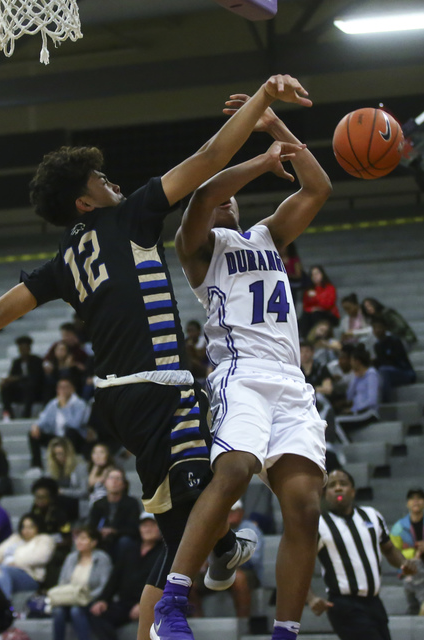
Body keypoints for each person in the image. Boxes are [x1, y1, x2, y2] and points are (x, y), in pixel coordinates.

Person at [0, 72, 313, 640]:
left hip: (116, 400)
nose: (112, 181)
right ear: (85, 199)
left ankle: (208, 568)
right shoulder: (130, 217)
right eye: (101, 178)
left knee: (182, 518)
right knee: (210, 492)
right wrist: (263, 104)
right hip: (164, 384)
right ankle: (210, 566)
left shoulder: (63, 261)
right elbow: (207, 158)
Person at [153, 88, 331, 640]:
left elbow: (318, 187)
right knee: (234, 469)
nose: (227, 200)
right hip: (240, 373)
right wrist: (258, 157)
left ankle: (285, 632)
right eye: (222, 198)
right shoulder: (198, 247)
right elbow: (204, 193)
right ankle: (173, 604)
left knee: (304, 509)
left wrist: (277, 125)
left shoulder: (269, 236)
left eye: (237, 196)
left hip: (290, 383)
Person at [307, 469, 418, 640]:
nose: (338, 488)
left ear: (353, 491)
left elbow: (388, 549)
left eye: (343, 484)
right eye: (332, 485)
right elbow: (297, 567)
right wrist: (311, 598)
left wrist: (403, 563)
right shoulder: (318, 525)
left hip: (374, 603)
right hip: (345, 606)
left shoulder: (372, 516)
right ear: (324, 493)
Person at [90, 512, 164, 640]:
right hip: (125, 603)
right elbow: (115, 577)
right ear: (139, 528)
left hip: (150, 604)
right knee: (96, 614)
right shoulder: (129, 549)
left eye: (152, 525)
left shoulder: (164, 552)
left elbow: (163, 583)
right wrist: (103, 599)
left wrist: (144, 605)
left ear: (160, 528)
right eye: (144, 526)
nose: (148, 529)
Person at [30, 527, 112, 640]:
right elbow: (62, 582)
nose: (78, 541)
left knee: (76, 611)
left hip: (89, 599)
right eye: (77, 538)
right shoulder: (71, 558)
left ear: (94, 542)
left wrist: (87, 597)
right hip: (69, 597)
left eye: (83, 538)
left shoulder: (102, 559)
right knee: (58, 611)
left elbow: (104, 585)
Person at [190, 499, 264, 619]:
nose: (230, 514)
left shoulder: (250, 529)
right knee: (189, 583)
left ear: (241, 512)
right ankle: (196, 623)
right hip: (213, 569)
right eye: (227, 511)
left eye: (234, 511)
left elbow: (253, 560)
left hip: (244, 571)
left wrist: (225, 562)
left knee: (239, 578)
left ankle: (243, 623)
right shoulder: (212, 528)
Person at [0, 513, 55, 598]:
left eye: (30, 527)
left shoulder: (44, 539)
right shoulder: (15, 538)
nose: (26, 531)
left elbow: (41, 557)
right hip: (4, 569)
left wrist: (15, 562)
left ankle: (3, 606)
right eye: (24, 527)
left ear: (38, 527)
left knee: (1, 571)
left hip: (30, 576)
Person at [29, 378, 90, 468]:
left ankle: (69, 464)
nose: (62, 390)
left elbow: (76, 424)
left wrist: (64, 407)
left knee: (71, 432)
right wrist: (36, 426)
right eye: (60, 387)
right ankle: (37, 466)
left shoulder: (80, 404)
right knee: (32, 434)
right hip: (57, 436)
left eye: (65, 387)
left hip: (75, 437)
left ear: (72, 389)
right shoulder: (53, 403)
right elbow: (43, 419)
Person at [88, 468, 141, 560]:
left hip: (122, 538)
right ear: (105, 483)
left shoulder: (132, 503)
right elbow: (92, 525)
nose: (114, 482)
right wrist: (100, 532)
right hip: (101, 537)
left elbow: (133, 528)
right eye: (111, 478)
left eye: (118, 478)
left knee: (125, 542)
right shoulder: (98, 504)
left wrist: (114, 531)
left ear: (124, 484)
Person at [390, 487, 424, 615]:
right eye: (412, 498)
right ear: (407, 503)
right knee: (414, 566)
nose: (416, 501)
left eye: (420, 498)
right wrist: (414, 552)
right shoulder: (398, 528)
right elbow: (393, 553)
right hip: (410, 569)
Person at [335, 345, 380, 440]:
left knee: (336, 422)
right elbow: (349, 397)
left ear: (357, 362)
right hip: (358, 412)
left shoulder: (371, 375)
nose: (350, 363)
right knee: (332, 421)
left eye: (351, 360)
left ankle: (347, 446)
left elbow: (372, 401)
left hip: (369, 413)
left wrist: (354, 410)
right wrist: (355, 378)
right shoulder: (357, 377)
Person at [371, 315, 416, 402]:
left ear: (385, 328)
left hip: (405, 372)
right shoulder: (377, 346)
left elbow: (397, 361)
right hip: (388, 374)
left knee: (384, 370)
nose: (377, 330)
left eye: (379, 328)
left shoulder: (395, 341)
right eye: (374, 328)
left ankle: (385, 402)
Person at [0, 335, 44, 420]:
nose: (23, 351)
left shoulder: (37, 360)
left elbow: (36, 377)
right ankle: (8, 413)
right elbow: (12, 376)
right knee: (4, 387)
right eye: (20, 349)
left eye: (25, 348)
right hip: (19, 390)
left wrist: (18, 378)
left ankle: (26, 413)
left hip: (34, 390)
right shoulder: (16, 362)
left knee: (29, 386)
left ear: (29, 349)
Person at [46, 437, 89, 521]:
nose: (58, 457)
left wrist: (62, 491)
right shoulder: (52, 469)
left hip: (76, 502)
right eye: (55, 454)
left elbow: (84, 492)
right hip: (57, 504)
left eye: (61, 453)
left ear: (68, 453)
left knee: (58, 501)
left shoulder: (80, 467)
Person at [299, 265, 340, 338]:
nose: (315, 276)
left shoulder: (330, 288)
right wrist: (313, 308)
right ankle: (306, 340)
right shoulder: (309, 290)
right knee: (304, 317)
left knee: (316, 314)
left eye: (317, 273)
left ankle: (319, 337)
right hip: (312, 314)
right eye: (312, 275)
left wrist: (316, 297)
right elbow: (305, 306)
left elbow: (328, 305)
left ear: (322, 274)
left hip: (329, 315)